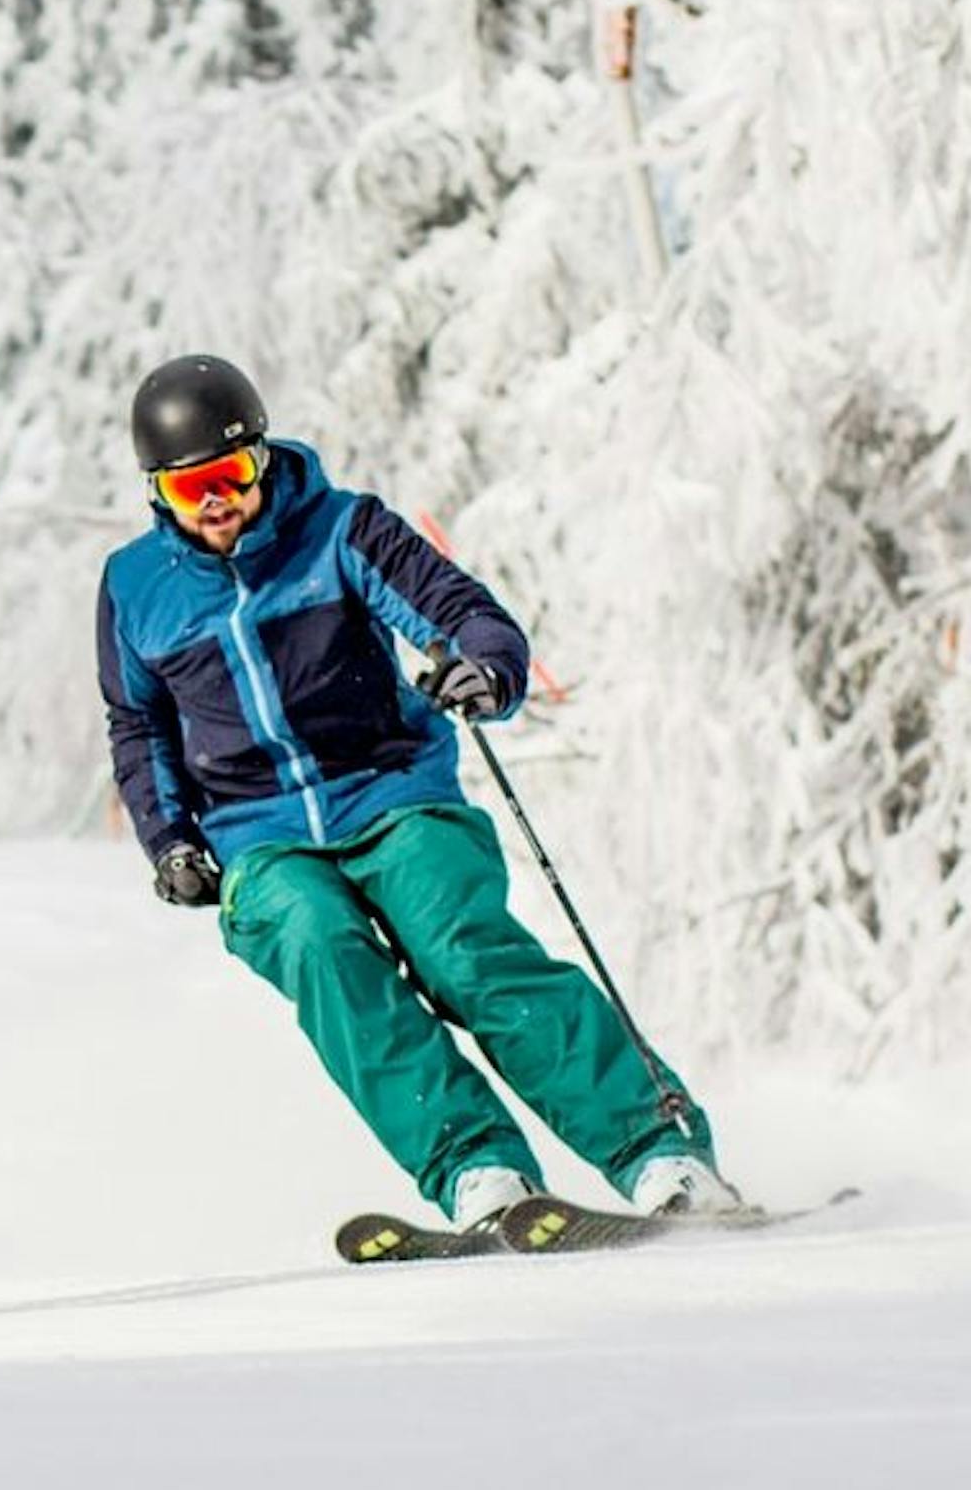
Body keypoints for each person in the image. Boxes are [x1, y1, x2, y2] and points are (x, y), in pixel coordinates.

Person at [95, 352, 739, 1227]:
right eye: (188, 488)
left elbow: (461, 610)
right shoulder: (135, 589)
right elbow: (138, 725)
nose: (215, 503)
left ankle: (658, 1153)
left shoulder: (341, 532)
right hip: (259, 833)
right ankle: (478, 1169)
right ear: (157, 495)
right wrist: (169, 839)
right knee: (320, 946)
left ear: (261, 458)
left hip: (392, 791)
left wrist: (484, 667)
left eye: (230, 475)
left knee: (460, 947)